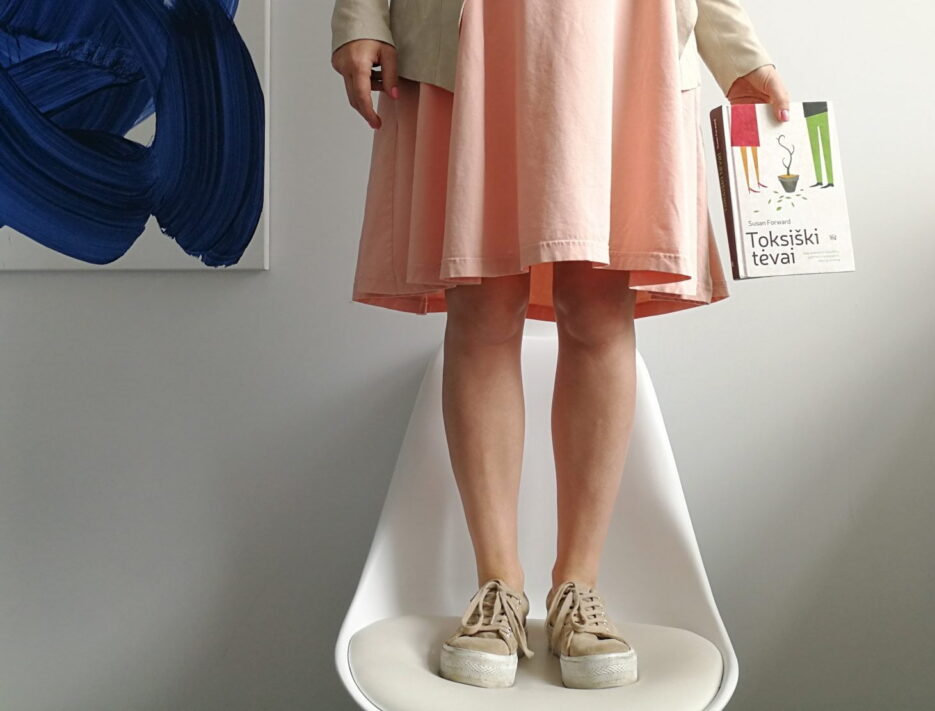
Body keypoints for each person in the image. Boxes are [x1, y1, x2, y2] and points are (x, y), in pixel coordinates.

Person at [330, 0, 790, 691]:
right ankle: (498, 589)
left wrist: (740, 55)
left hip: (620, 32)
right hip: (474, 31)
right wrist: (360, 15)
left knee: (600, 305)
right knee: (481, 301)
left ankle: (579, 586)